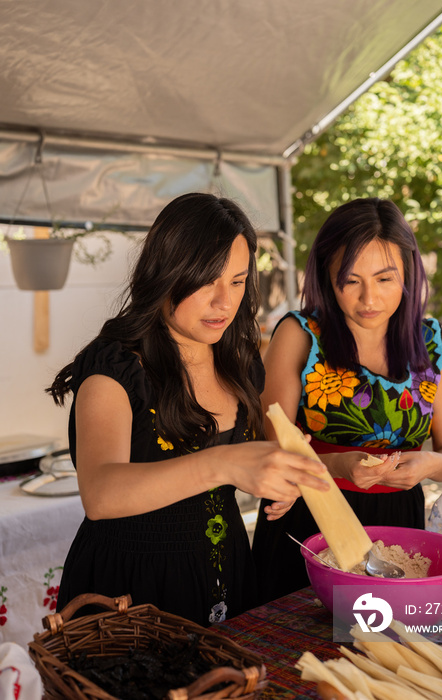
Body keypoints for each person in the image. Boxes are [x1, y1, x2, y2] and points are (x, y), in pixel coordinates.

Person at [47, 192, 329, 626]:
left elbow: (243, 468)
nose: (224, 301)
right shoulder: (116, 367)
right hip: (130, 594)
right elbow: (100, 494)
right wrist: (225, 463)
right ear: (166, 273)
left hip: (228, 576)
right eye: (206, 280)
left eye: (237, 282)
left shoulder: (238, 362)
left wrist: (279, 477)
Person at [252, 197, 442, 603]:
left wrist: (428, 464)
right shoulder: (300, 335)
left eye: (385, 279)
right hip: (314, 517)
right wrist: (336, 466)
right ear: (327, 277)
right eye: (351, 280)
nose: (369, 298)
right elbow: (270, 448)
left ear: (408, 273)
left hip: (401, 527)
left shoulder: (435, 343)